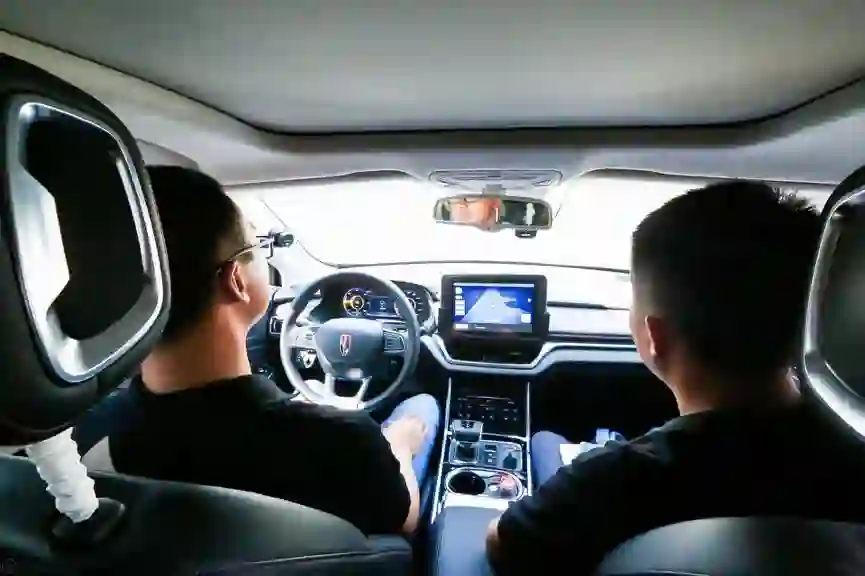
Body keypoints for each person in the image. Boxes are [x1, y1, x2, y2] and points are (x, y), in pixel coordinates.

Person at [486, 181, 865, 574]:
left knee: (546, 442)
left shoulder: (614, 481)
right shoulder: (854, 456)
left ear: (656, 337)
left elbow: (504, 544)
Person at [107, 166, 439, 535]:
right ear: (236, 280)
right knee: (421, 406)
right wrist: (399, 444)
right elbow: (404, 520)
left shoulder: (113, 422)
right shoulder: (343, 442)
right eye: (258, 247)